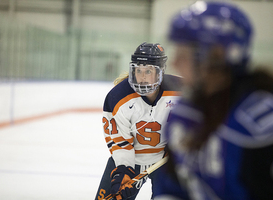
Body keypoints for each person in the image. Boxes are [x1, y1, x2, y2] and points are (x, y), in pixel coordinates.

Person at [153, 1, 273, 200]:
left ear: (216, 55)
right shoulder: (183, 114)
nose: (174, 63)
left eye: (183, 54)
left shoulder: (261, 124)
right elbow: (172, 183)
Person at [95, 42, 182, 200]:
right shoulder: (118, 98)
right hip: (129, 160)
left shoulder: (181, 91)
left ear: (160, 72)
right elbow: (119, 140)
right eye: (138, 70)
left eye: (148, 71)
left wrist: (179, 150)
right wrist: (123, 169)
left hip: (166, 162)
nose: (142, 77)